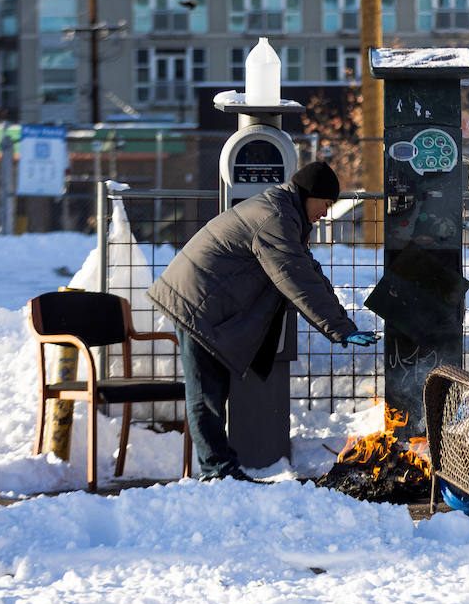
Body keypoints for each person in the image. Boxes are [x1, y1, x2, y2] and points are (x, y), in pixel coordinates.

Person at [148, 160, 376, 481]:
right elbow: (294, 278)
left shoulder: (285, 213)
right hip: (195, 301)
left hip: (207, 302)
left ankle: (222, 468)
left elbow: (308, 272)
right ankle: (216, 471)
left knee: (213, 392)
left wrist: (343, 325)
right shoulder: (276, 218)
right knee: (206, 394)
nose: (325, 213)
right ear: (309, 194)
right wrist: (338, 329)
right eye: (325, 204)